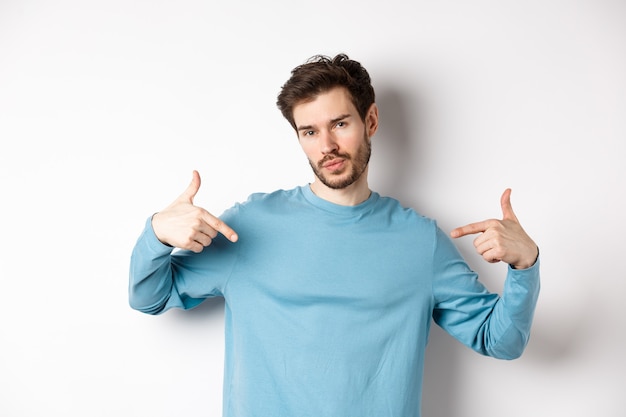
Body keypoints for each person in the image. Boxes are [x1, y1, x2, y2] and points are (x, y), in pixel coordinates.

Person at [129, 54, 540, 417]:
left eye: (340, 124)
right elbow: (149, 297)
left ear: (371, 121)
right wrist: (158, 235)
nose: (327, 145)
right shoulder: (251, 224)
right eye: (309, 132)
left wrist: (525, 266)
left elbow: (499, 340)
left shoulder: (419, 241)